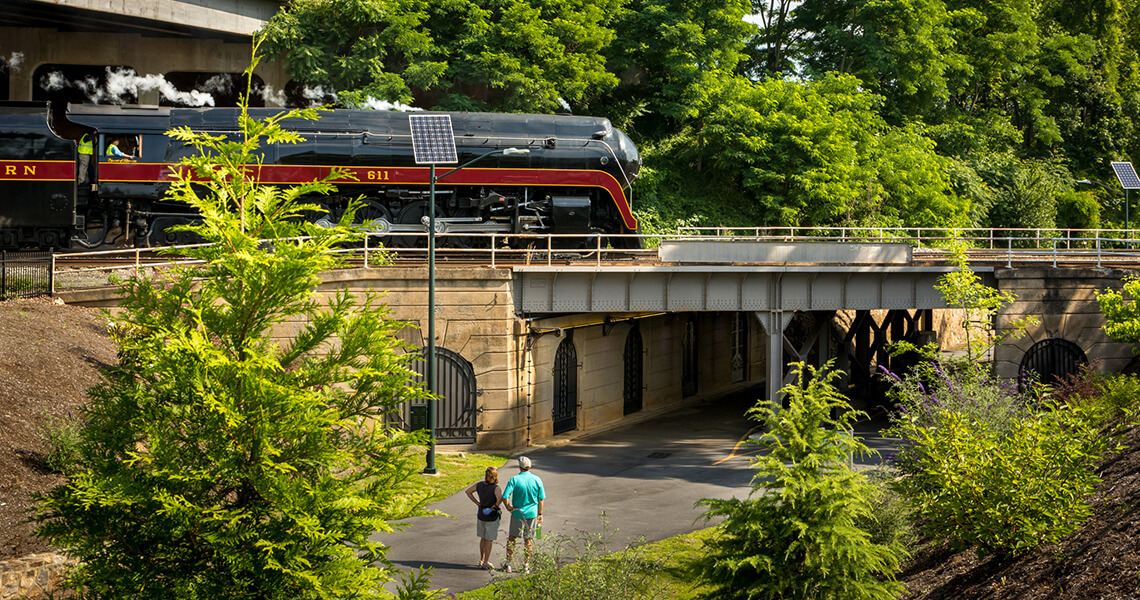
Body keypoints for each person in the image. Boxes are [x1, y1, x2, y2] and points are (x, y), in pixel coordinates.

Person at [501, 456, 545, 573]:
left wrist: (509, 507)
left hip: (517, 513)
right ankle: (526, 565)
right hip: (532, 514)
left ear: (519, 467)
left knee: (512, 538)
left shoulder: (514, 480)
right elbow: (541, 499)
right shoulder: (537, 479)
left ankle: (508, 563)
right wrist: (540, 513)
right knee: (528, 540)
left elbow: (505, 497)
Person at [464, 466, 504, 570]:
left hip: (481, 514)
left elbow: (468, 491)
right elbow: (500, 498)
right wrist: (494, 506)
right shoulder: (496, 488)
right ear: (495, 476)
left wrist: (477, 503)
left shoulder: (479, 485)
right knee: (489, 539)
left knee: (483, 538)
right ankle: (486, 562)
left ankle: (481, 560)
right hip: (492, 516)